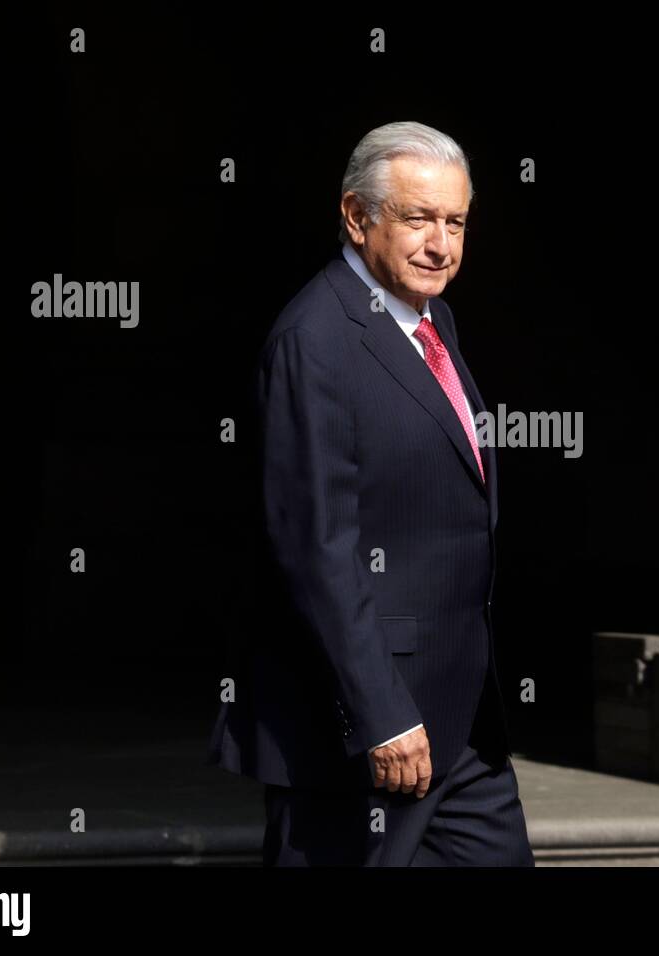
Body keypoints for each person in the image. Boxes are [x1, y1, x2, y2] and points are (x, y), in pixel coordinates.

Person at [207, 121, 534, 866]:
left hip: (463, 721)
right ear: (358, 218)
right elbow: (315, 546)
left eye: (455, 223)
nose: (441, 245)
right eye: (418, 219)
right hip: (362, 732)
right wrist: (381, 714)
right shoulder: (313, 341)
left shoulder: (432, 319)